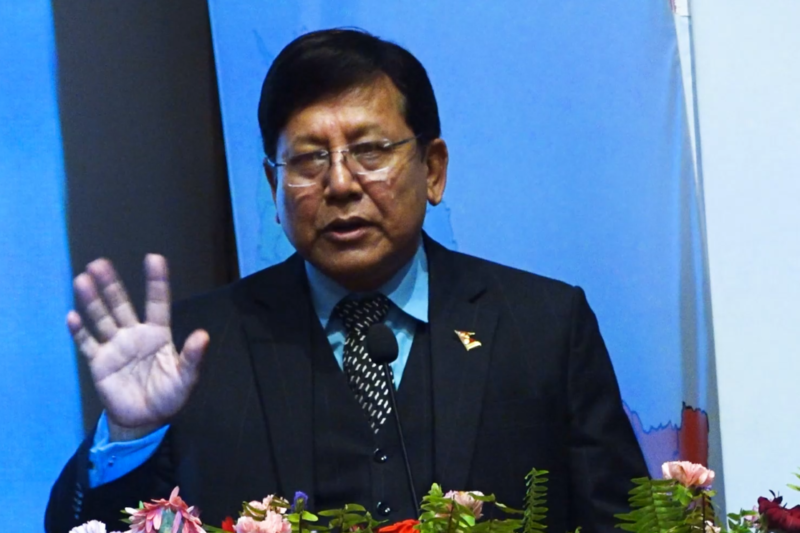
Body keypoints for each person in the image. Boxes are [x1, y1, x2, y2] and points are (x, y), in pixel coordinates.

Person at [46, 29, 648, 532]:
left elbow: (623, 520)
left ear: (433, 169)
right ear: (274, 187)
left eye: (369, 151)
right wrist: (130, 436)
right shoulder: (194, 350)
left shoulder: (543, 327)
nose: (339, 184)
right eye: (309, 158)